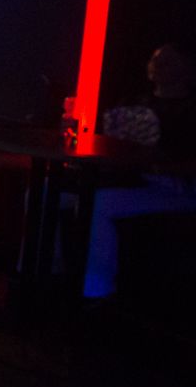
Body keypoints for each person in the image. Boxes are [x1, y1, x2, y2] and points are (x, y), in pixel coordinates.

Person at [84, 42, 196, 298]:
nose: (157, 66)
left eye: (167, 62)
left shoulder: (191, 109)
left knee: (98, 204)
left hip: (174, 187)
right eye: (155, 60)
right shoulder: (134, 102)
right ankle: (45, 272)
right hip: (125, 177)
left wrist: (162, 167)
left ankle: (98, 291)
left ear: (187, 69)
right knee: (46, 191)